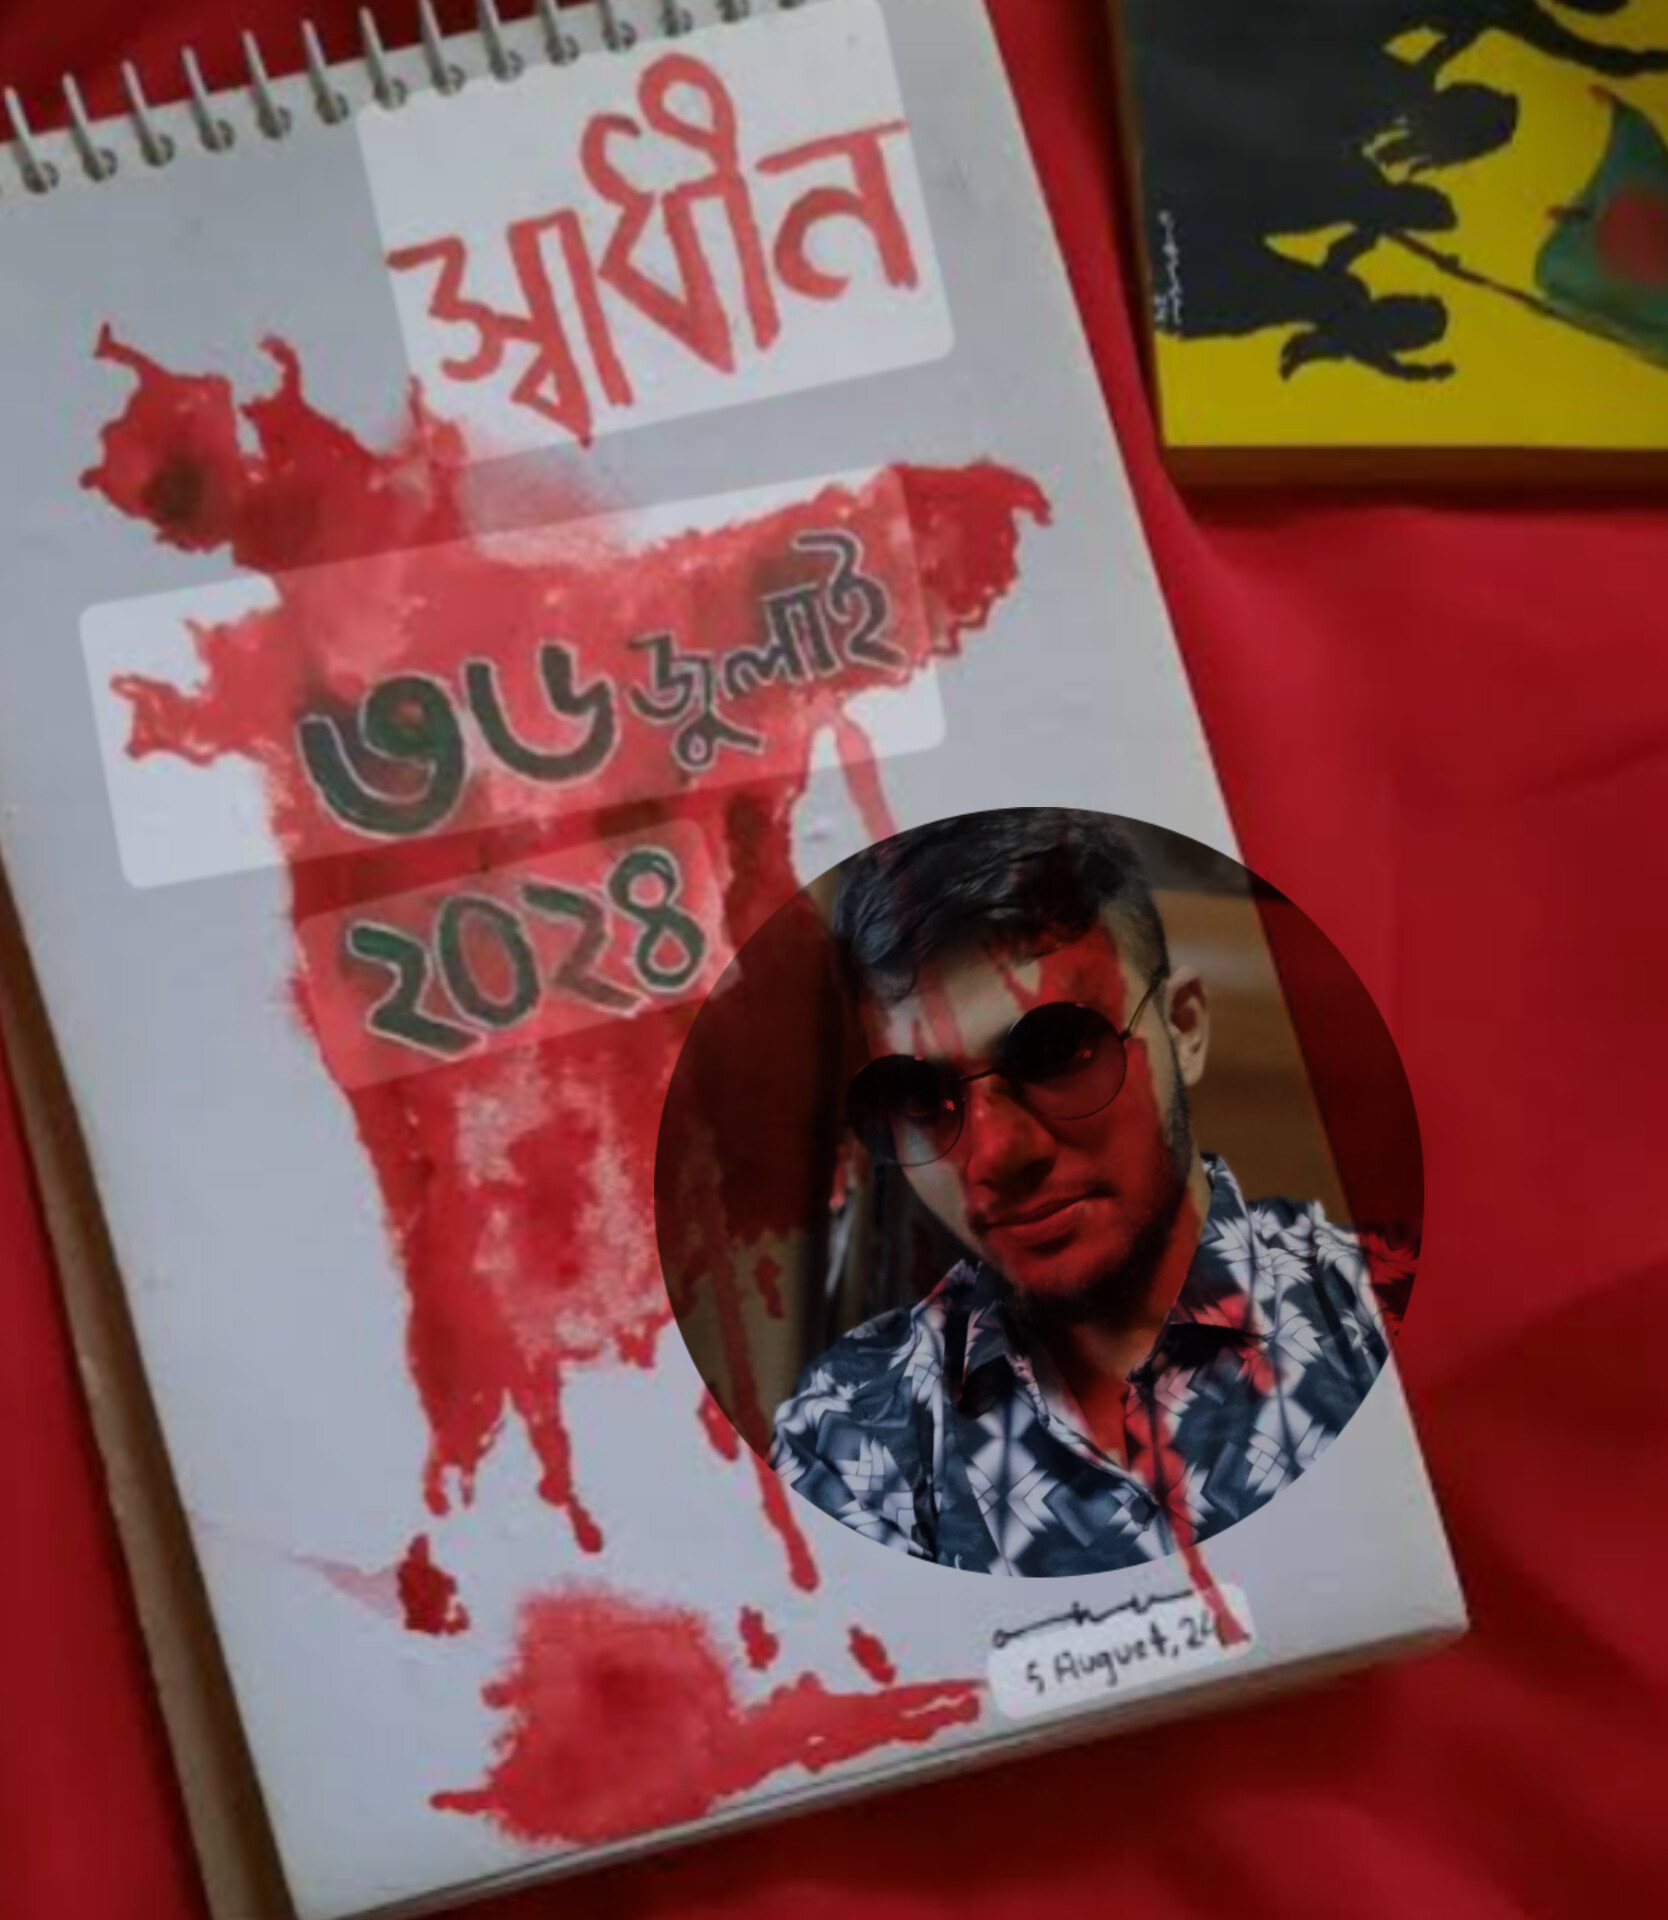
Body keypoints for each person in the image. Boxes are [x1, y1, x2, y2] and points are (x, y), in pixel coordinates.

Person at [769, 810, 1412, 1576]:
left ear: (1184, 1029)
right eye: (918, 1099)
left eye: (1058, 1052)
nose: (995, 1156)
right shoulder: (851, 1433)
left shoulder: (1376, 1317)